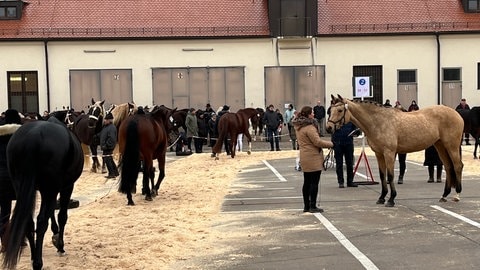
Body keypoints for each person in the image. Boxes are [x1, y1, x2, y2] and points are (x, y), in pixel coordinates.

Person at [293, 106, 334, 213]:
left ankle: (306, 205)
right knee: (314, 182)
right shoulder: (310, 128)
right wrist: (331, 144)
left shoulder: (299, 127)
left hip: (304, 156)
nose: (314, 114)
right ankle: (313, 205)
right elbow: (317, 142)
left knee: (307, 181)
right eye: (312, 113)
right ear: (308, 114)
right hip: (313, 157)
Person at [0, 109, 22, 248]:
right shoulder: (22, 135)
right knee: (21, 208)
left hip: (0, 177)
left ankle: (4, 241)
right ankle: (21, 237)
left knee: (4, 210)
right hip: (16, 177)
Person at [332, 122, 359, 188]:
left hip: (348, 143)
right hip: (338, 143)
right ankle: (341, 181)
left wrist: (356, 132)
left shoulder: (350, 121)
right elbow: (330, 129)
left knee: (349, 163)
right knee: (339, 164)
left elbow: (356, 131)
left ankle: (350, 181)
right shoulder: (335, 119)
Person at [100, 112, 119, 179]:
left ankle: (111, 173)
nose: (104, 121)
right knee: (110, 159)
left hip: (108, 147)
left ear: (110, 120)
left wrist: (106, 145)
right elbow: (102, 135)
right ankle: (116, 172)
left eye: (106, 119)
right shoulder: (106, 127)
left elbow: (112, 138)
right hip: (106, 147)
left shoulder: (111, 128)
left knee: (108, 160)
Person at [394, 101, 407, 184]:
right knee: (391, 160)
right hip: (393, 144)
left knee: (402, 161)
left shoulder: (405, 123)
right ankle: (389, 176)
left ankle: (401, 176)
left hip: (402, 144)